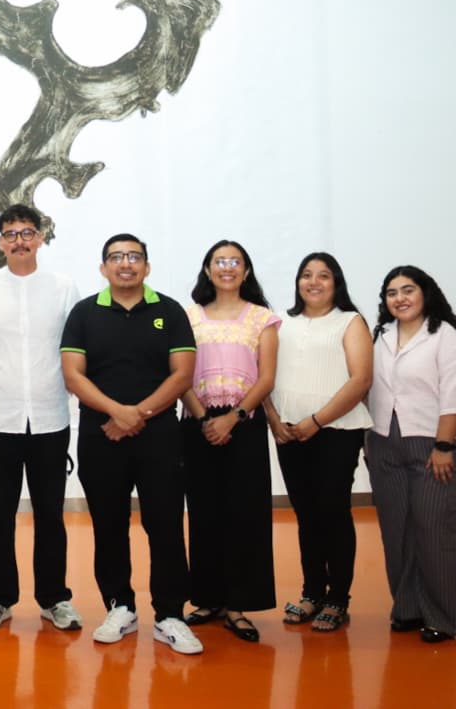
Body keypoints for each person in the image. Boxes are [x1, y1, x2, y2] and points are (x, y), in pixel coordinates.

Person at [59, 234, 201, 655]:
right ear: (103, 268)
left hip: (160, 437)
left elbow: (182, 374)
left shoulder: (170, 311)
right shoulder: (84, 313)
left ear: (147, 266)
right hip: (100, 435)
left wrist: (137, 414)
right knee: (109, 525)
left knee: (166, 525)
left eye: (134, 256)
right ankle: (119, 606)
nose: (126, 264)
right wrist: (116, 413)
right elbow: (73, 375)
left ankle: (171, 614)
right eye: (117, 257)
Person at [0, 204, 82, 633]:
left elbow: (74, 349)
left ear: (40, 238)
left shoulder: (63, 287)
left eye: (27, 232)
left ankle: (54, 598)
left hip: (50, 418)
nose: (19, 241)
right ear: (0, 242)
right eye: (10, 234)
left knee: (50, 514)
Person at [366, 265, 456, 643]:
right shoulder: (380, 335)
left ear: (425, 293)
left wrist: (444, 447)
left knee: (434, 532)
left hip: (434, 445)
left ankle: (441, 617)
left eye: (408, 290)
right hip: (385, 442)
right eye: (392, 293)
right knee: (396, 532)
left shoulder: (445, 336)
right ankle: (407, 608)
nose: (400, 298)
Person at [263, 252, 373, 633]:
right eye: (306, 275)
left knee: (333, 512)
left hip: (336, 432)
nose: (313, 282)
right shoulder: (281, 322)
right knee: (306, 515)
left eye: (323, 275)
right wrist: (273, 420)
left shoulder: (350, 321)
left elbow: (361, 380)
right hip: (288, 432)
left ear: (336, 282)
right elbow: (264, 375)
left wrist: (316, 421)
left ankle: (338, 598)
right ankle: (312, 592)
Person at [181, 239, 279, 643]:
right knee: (204, 512)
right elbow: (180, 374)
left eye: (234, 261)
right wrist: (206, 419)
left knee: (245, 513)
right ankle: (209, 599)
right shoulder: (189, 316)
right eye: (219, 261)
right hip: (198, 423)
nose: (227, 268)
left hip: (245, 424)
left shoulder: (262, 318)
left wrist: (232, 419)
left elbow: (266, 377)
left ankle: (238, 604)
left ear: (246, 270)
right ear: (208, 270)